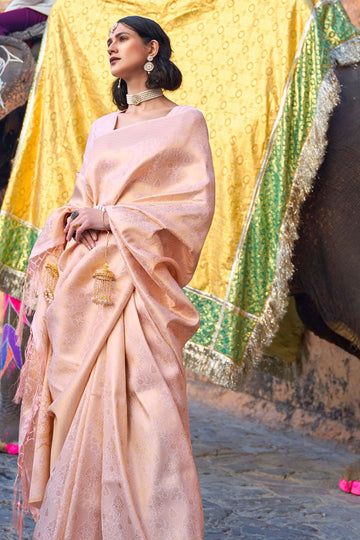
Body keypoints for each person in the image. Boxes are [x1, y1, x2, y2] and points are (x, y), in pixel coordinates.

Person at [15, 15, 215, 540]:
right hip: (88, 281)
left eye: (121, 38)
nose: (111, 46)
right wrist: (72, 216)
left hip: (142, 286)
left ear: (152, 49)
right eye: (107, 39)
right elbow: (86, 195)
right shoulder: (103, 128)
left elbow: (193, 210)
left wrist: (117, 218)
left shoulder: (186, 122)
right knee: (77, 402)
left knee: (153, 413)